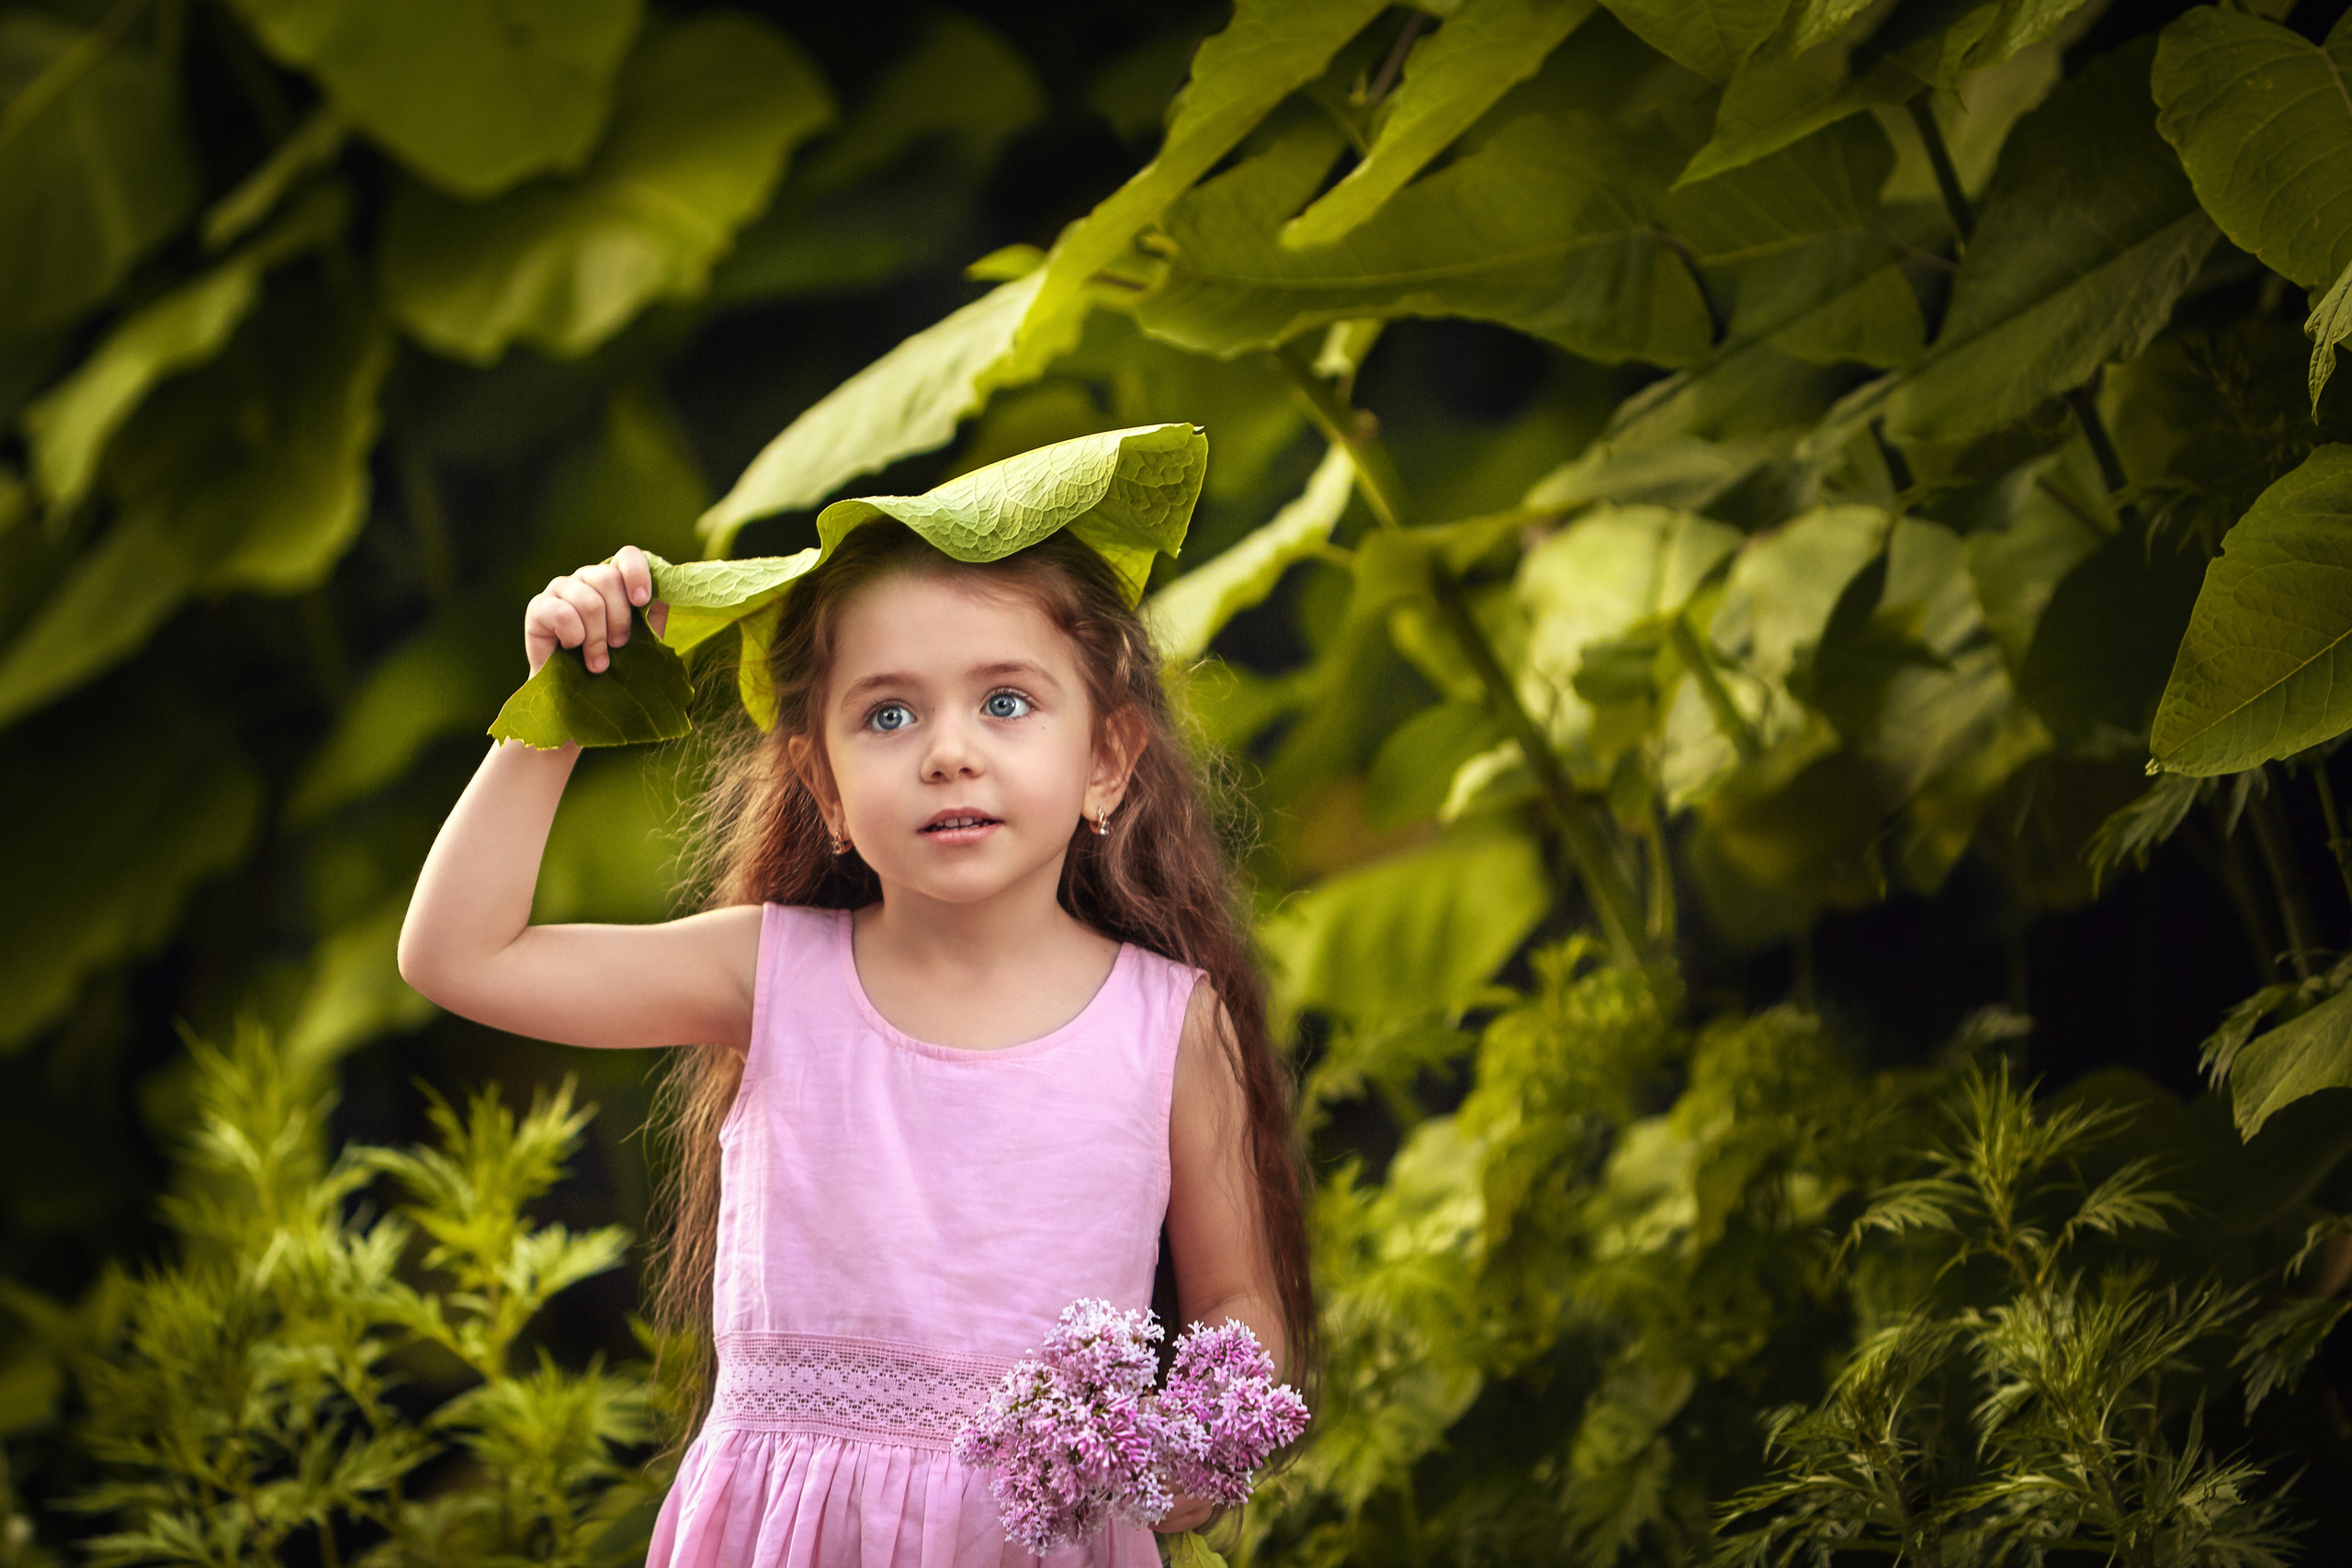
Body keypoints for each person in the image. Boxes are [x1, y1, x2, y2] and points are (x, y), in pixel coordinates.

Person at [398, 522, 1315, 1566]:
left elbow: (1238, 1298)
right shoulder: (772, 975)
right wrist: (555, 713)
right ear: (825, 791)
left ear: (1106, 760)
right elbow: (461, 956)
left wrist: (1185, 1457)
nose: (950, 751)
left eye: (1006, 702)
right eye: (888, 713)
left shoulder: (1169, 1023)